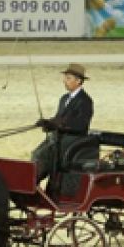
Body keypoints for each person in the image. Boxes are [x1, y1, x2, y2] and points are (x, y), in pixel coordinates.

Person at [33, 63, 94, 192]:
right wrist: (47, 124)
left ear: (78, 81)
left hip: (74, 140)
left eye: (68, 78)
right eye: (65, 78)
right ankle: (33, 181)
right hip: (60, 137)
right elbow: (58, 118)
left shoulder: (85, 101)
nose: (64, 81)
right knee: (37, 153)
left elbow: (80, 125)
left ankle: (39, 182)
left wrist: (58, 125)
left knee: (44, 153)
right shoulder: (64, 99)